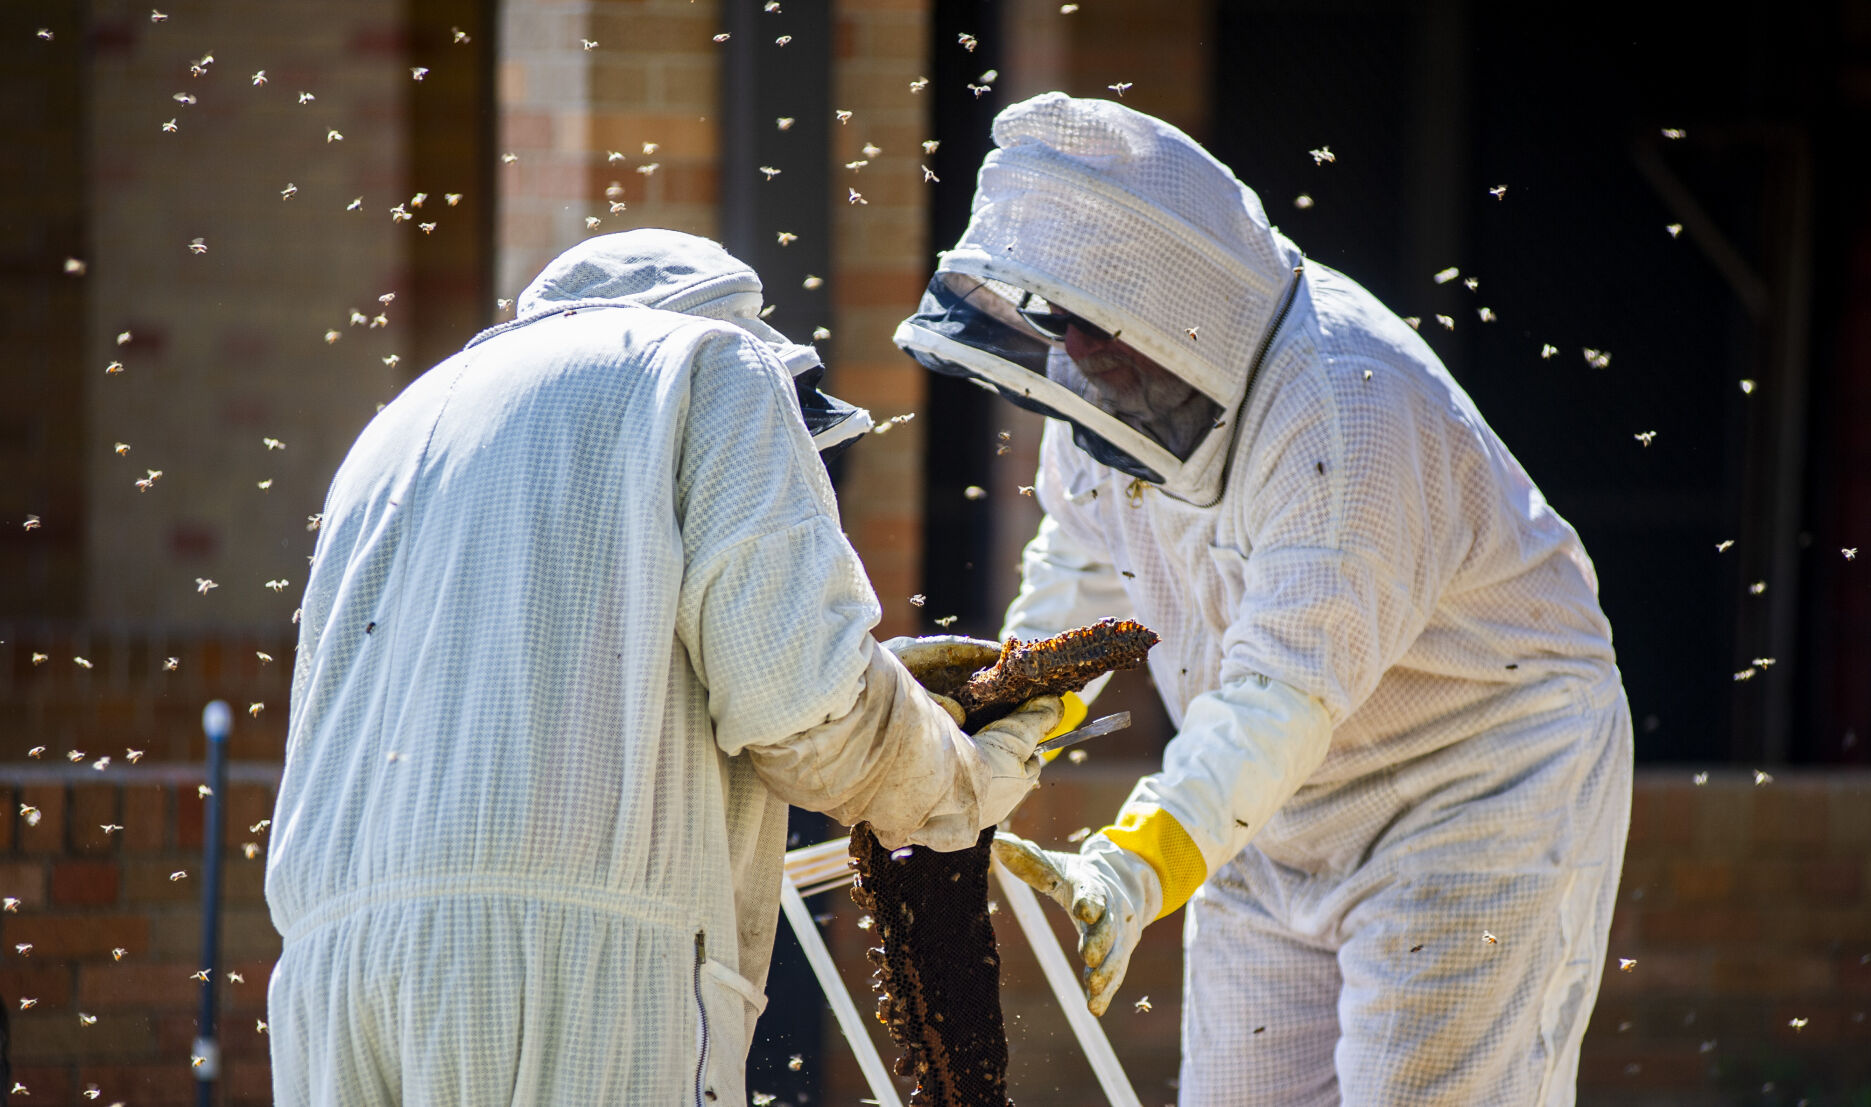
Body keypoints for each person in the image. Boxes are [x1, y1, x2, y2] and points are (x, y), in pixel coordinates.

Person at [896, 94, 1631, 1105]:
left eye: (1091, 322)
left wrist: (1133, 864)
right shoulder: (1106, 395)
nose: (1071, 352)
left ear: (1169, 297)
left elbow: (1279, 694)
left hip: (1469, 796)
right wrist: (1008, 708)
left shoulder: (1349, 409)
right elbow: (1085, 574)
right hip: (1267, 807)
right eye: (1054, 318)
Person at [264, 229, 1061, 1106]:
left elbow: (589, 663)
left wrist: (890, 689)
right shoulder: (707, 364)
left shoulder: (404, 421)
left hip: (329, 974)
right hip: (570, 964)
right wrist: (957, 776)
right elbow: (806, 715)